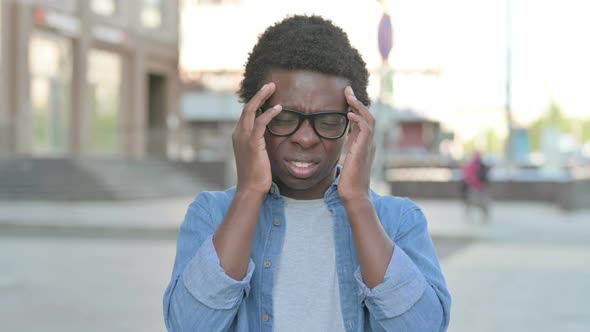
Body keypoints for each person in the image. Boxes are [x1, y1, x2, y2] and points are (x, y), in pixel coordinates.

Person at [163, 15, 450, 331]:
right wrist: (248, 193)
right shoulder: (211, 215)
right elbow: (188, 325)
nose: (305, 137)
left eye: (328, 122)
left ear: (354, 127)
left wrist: (357, 200)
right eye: (284, 118)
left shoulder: (399, 221)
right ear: (251, 119)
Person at [460, 151, 491, 221]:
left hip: (474, 187)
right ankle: (484, 215)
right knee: (481, 202)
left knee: (472, 202)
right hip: (480, 187)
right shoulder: (482, 165)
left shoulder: (471, 165)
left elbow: (466, 175)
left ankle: (470, 215)